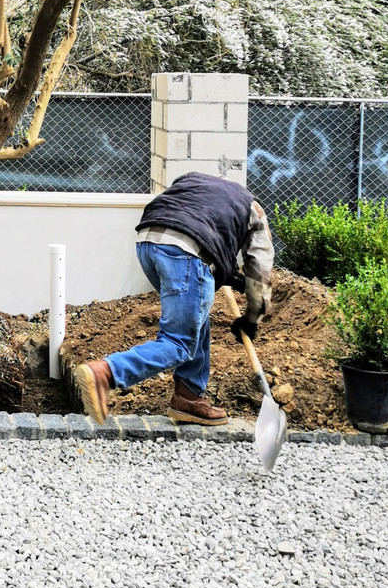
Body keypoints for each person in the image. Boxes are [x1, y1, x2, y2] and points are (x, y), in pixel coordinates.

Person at [77, 172, 274, 426]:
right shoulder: (252, 208)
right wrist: (252, 318)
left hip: (148, 242)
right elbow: (260, 272)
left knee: (196, 318)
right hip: (186, 252)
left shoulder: (193, 180)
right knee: (179, 342)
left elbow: (184, 218)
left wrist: (224, 273)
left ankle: (189, 397)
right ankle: (106, 372)